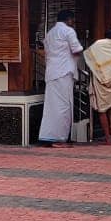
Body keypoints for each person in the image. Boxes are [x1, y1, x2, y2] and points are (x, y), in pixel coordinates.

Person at [39, 9, 82, 147]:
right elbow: (77, 49)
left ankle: (47, 135)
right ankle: (59, 138)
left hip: (51, 72)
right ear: (69, 20)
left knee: (51, 106)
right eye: (72, 21)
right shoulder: (68, 31)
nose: (73, 23)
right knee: (64, 106)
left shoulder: (50, 33)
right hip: (63, 72)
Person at [85, 29, 111, 145]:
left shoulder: (98, 44)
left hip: (99, 79)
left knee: (102, 109)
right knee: (109, 104)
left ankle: (108, 137)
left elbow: (88, 58)